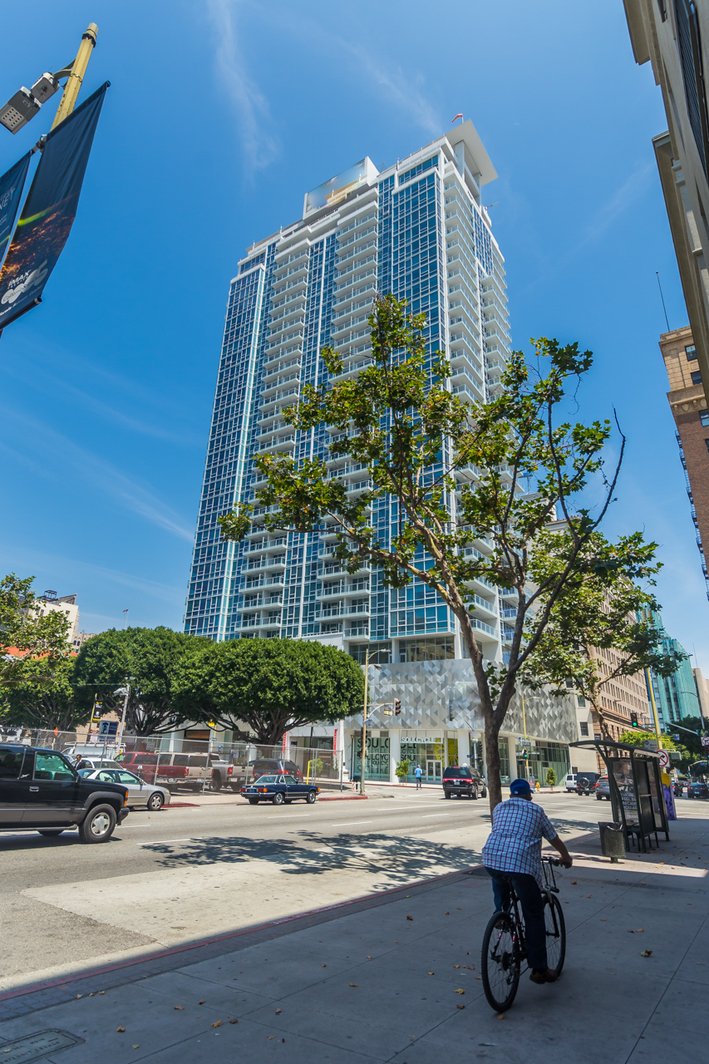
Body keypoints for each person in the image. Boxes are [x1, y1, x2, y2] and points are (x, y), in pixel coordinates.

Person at [482, 777, 573, 985]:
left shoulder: (499, 808)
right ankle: (539, 969)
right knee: (533, 914)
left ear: (511, 795)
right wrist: (566, 856)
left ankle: (501, 914)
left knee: (500, 876)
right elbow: (553, 838)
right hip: (520, 865)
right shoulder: (536, 811)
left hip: (491, 858)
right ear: (529, 795)